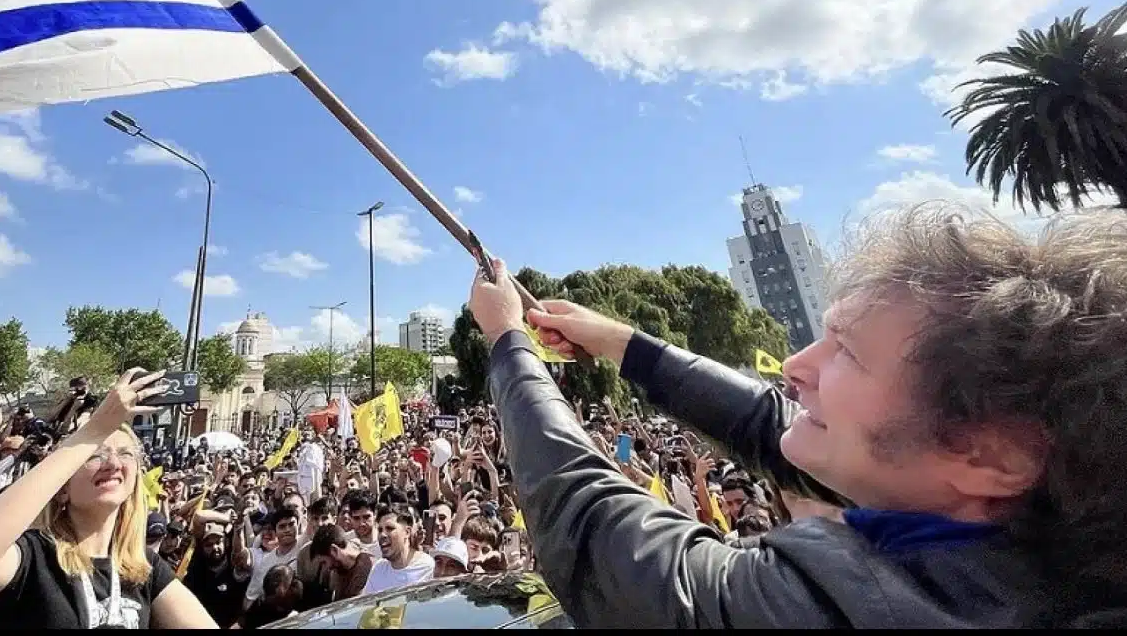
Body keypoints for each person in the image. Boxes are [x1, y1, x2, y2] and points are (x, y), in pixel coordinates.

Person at [468, 207, 1127, 627]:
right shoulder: (1033, 546)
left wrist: (507, 344)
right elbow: (770, 426)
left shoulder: (848, 611)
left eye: (848, 353)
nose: (793, 366)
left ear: (994, 456)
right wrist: (619, 342)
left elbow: (591, 527)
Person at [0, 368, 217, 628]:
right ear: (62, 487)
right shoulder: (34, 557)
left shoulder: (142, 566)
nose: (112, 463)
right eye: (95, 455)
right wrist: (94, 430)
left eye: (125, 453)